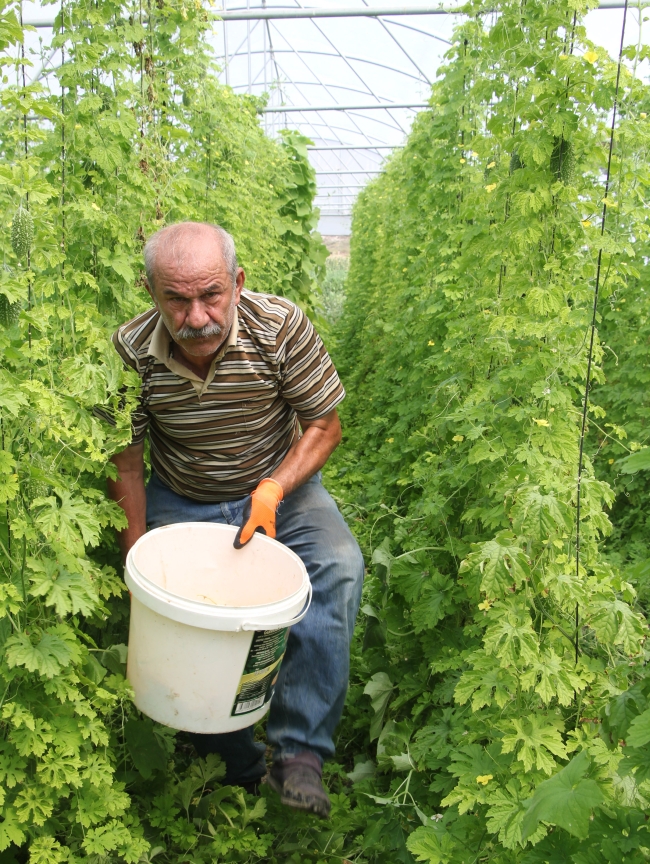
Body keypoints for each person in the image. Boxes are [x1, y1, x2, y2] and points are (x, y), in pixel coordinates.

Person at [105, 221, 364, 818]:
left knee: (336, 566)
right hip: (184, 493)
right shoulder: (129, 352)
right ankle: (232, 759)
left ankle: (300, 753)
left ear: (238, 283)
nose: (197, 317)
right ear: (151, 292)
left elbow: (324, 426)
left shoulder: (280, 328)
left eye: (211, 295)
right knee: (189, 612)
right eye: (177, 299)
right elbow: (126, 459)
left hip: (282, 489)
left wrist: (272, 488)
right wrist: (139, 559)